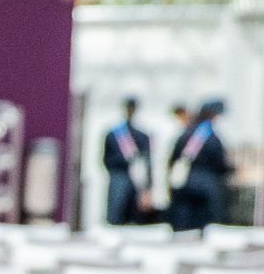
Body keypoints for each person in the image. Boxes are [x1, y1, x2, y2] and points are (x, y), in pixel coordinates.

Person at [167, 95, 235, 231]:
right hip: (208, 187)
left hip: (184, 185)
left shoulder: (186, 134)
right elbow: (221, 164)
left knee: (184, 227)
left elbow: (174, 159)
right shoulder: (212, 138)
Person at [99, 93, 155, 226]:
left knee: (135, 215)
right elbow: (106, 158)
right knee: (116, 213)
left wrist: (147, 187)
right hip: (119, 175)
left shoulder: (142, 136)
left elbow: (147, 162)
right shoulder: (113, 134)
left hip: (136, 178)